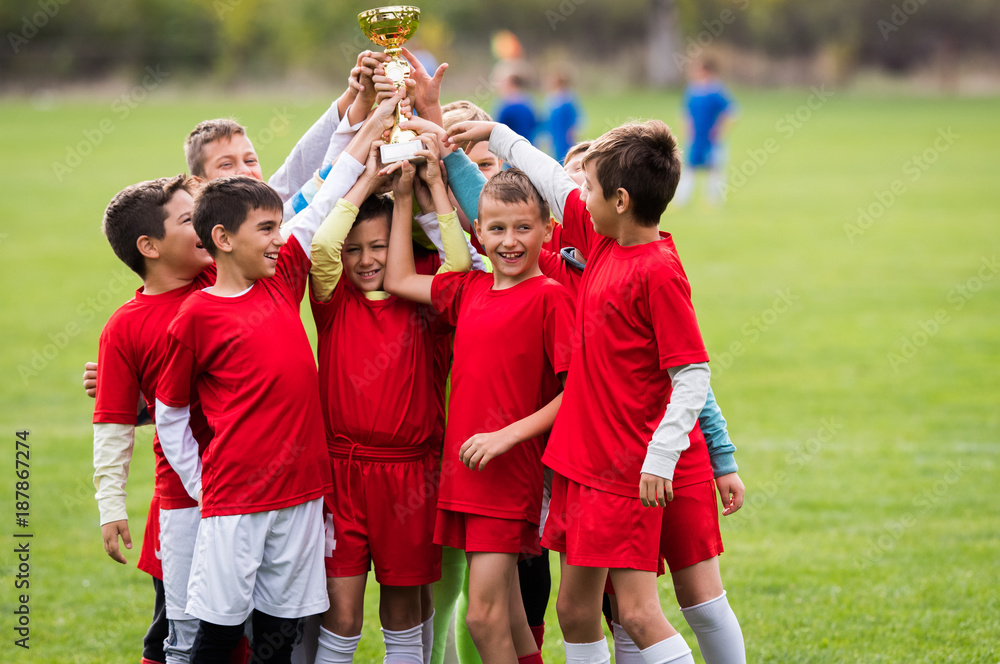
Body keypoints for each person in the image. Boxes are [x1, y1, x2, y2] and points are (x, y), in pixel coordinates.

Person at [447, 120, 747, 664]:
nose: (576, 197)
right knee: (576, 610)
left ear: (622, 199)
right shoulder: (604, 242)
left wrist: (662, 453)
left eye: (588, 188)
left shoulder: (656, 270)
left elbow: (693, 374)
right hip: (582, 464)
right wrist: (493, 130)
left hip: (625, 465)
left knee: (635, 611)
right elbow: (550, 183)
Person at [152, 118, 393, 659]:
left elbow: (327, 199)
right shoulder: (196, 317)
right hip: (235, 500)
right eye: (266, 229)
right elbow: (169, 412)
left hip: (303, 495)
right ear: (223, 238)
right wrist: (203, 482)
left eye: (280, 226)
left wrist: (371, 128)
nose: (280, 237)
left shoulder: (282, 275)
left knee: (279, 637)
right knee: (217, 637)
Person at [384, 164, 574, 664]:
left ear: (547, 230)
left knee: (482, 617)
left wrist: (506, 436)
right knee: (508, 614)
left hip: (506, 477)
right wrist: (405, 197)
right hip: (465, 474)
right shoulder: (468, 290)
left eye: (522, 228)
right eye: (496, 229)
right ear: (478, 233)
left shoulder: (552, 299)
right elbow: (399, 278)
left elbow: (577, 393)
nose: (509, 242)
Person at [307, 131, 471, 664]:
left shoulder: (427, 291)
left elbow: (459, 262)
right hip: (342, 475)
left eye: (378, 247)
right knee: (342, 613)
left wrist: (419, 194)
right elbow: (322, 245)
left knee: (403, 612)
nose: (366, 259)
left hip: (410, 475)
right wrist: (369, 180)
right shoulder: (333, 297)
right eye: (356, 250)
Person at [93, 175, 216, 664]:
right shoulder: (124, 327)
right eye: (189, 220)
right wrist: (110, 505)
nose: (205, 226)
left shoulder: (222, 280)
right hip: (184, 502)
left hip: (258, 486)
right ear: (149, 246)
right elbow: (113, 424)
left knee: (258, 626)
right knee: (180, 634)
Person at [674, 57, 735, 208]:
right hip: (695, 138)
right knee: (688, 168)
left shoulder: (716, 91)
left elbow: (731, 112)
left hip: (711, 139)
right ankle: (680, 201)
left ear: (706, 71)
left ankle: (712, 201)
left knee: (714, 169)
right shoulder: (692, 90)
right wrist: (686, 130)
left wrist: (720, 130)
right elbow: (685, 112)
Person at [542, 64, 582, 163]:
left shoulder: (569, 97)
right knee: (555, 156)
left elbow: (575, 118)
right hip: (555, 132)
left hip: (565, 134)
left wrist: (573, 133)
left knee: (566, 156)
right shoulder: (551, 98)